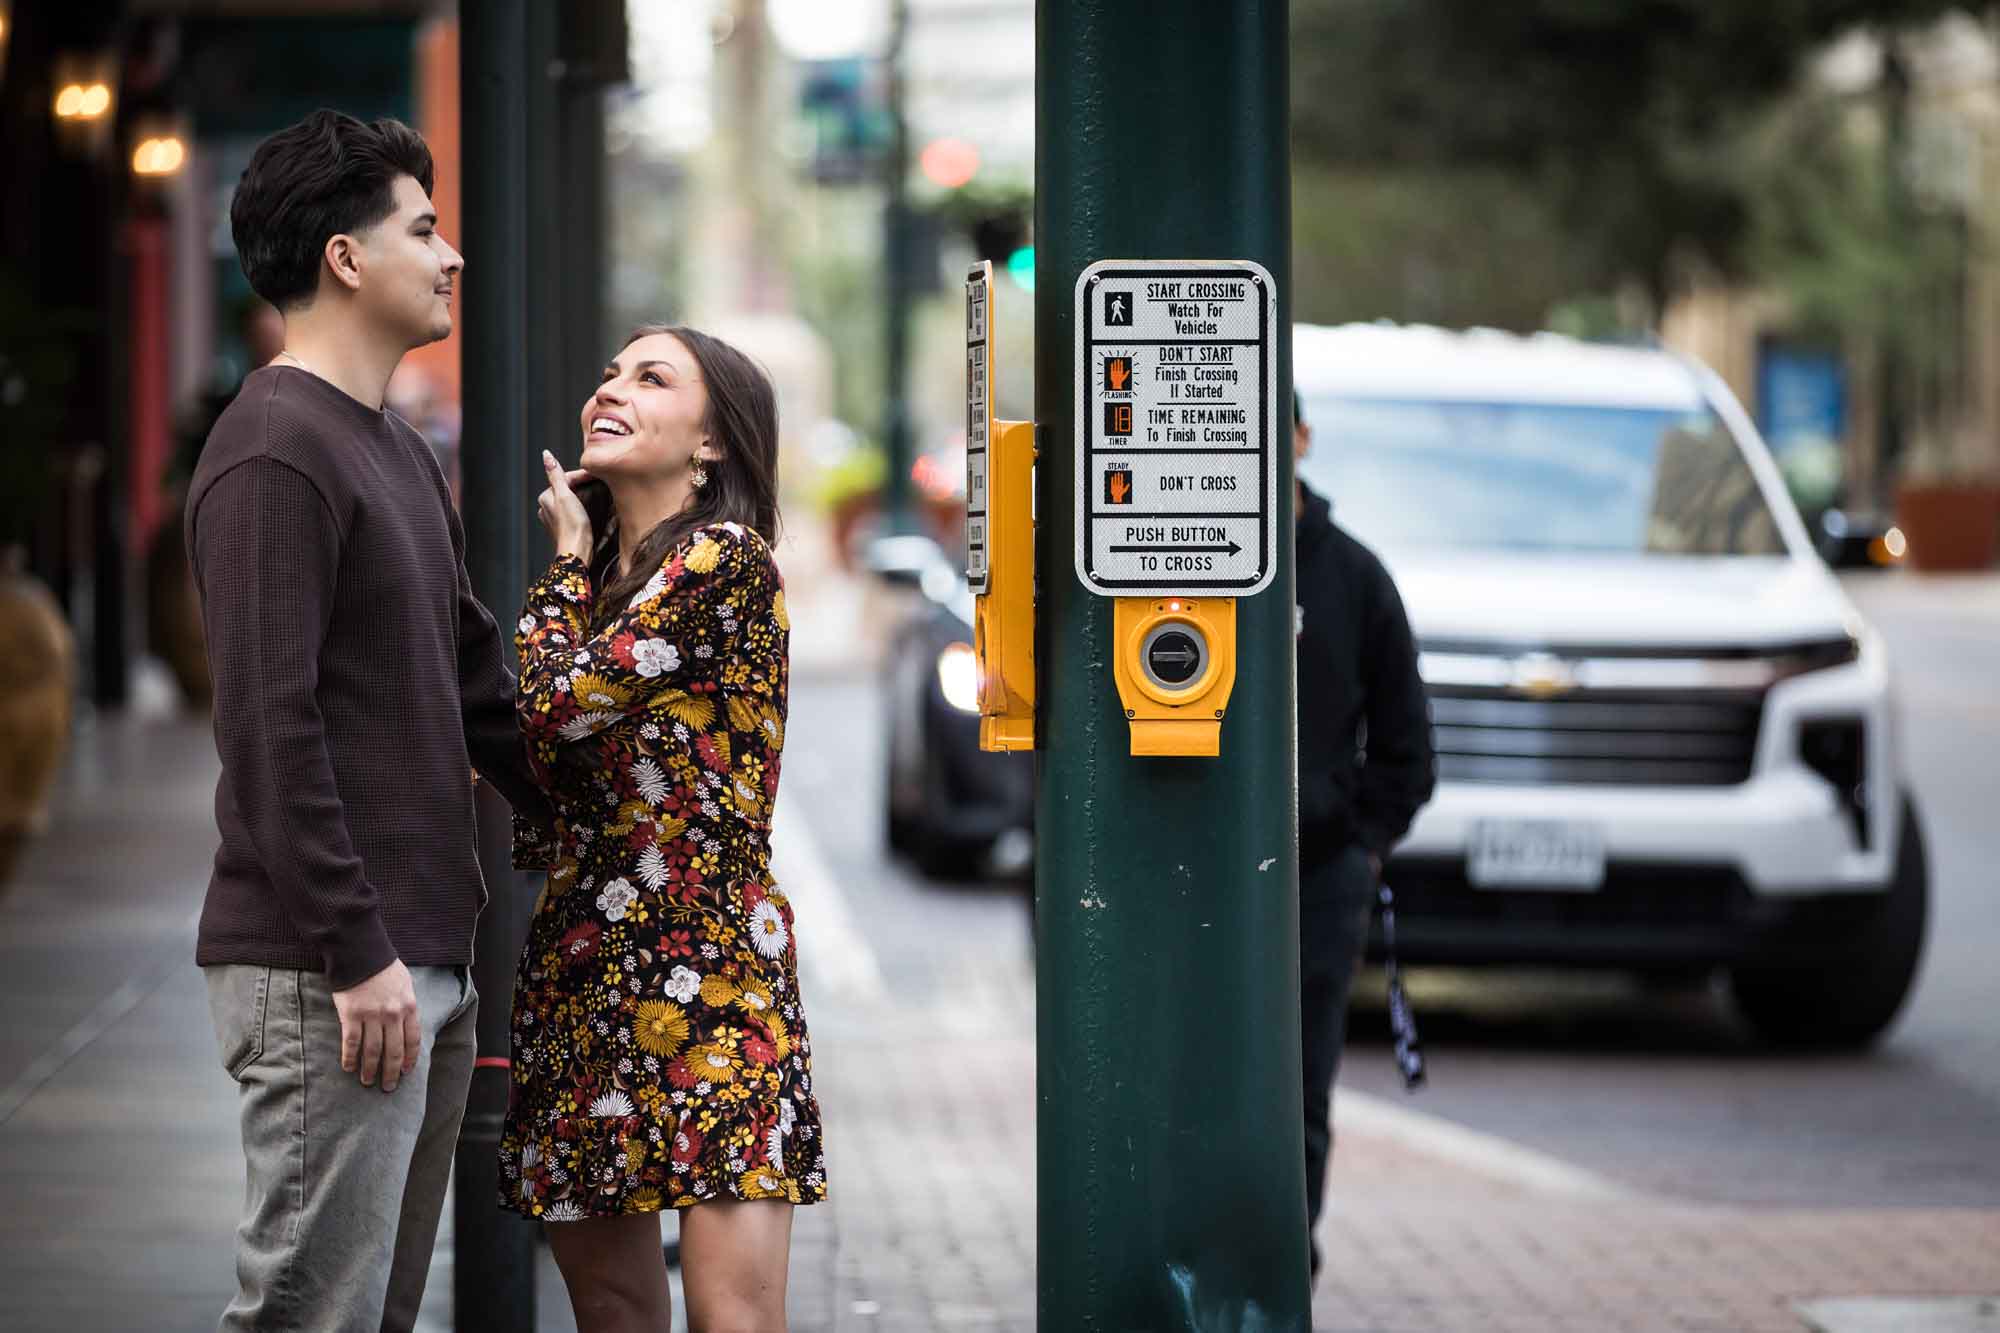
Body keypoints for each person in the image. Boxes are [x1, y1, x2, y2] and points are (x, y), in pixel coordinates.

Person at [186, 110, 554, 1332]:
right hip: (328, 972)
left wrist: (610, 814)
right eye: (424, 229)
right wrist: (355, 951)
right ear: (346, 259)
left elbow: (472, 685)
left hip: (417, 962)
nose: (450, 256)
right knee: (307, 1314)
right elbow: (268, 728)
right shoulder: (278, 450)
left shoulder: (393, 446)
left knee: (372, 1316)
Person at [499, 325, 826, 1332]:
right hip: (583, 978)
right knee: (610, 1313)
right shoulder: (606, 593)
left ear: (712, 443)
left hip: (713, 986)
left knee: (731, 1318)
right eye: (609, 372)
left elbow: (548, 709)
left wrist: (558, 560)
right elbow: (544, 798)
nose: (612, 389)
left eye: (651, 378)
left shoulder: (725, 562)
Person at [1292, 388, 1435, 1277]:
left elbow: (1408, 745)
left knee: (1301, 1087)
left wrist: (1359, 843)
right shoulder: (1183, 562)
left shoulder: (1353, 575)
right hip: (1206, 881)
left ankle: (1284, 1268)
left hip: (1320, 877)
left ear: (1300, 439)